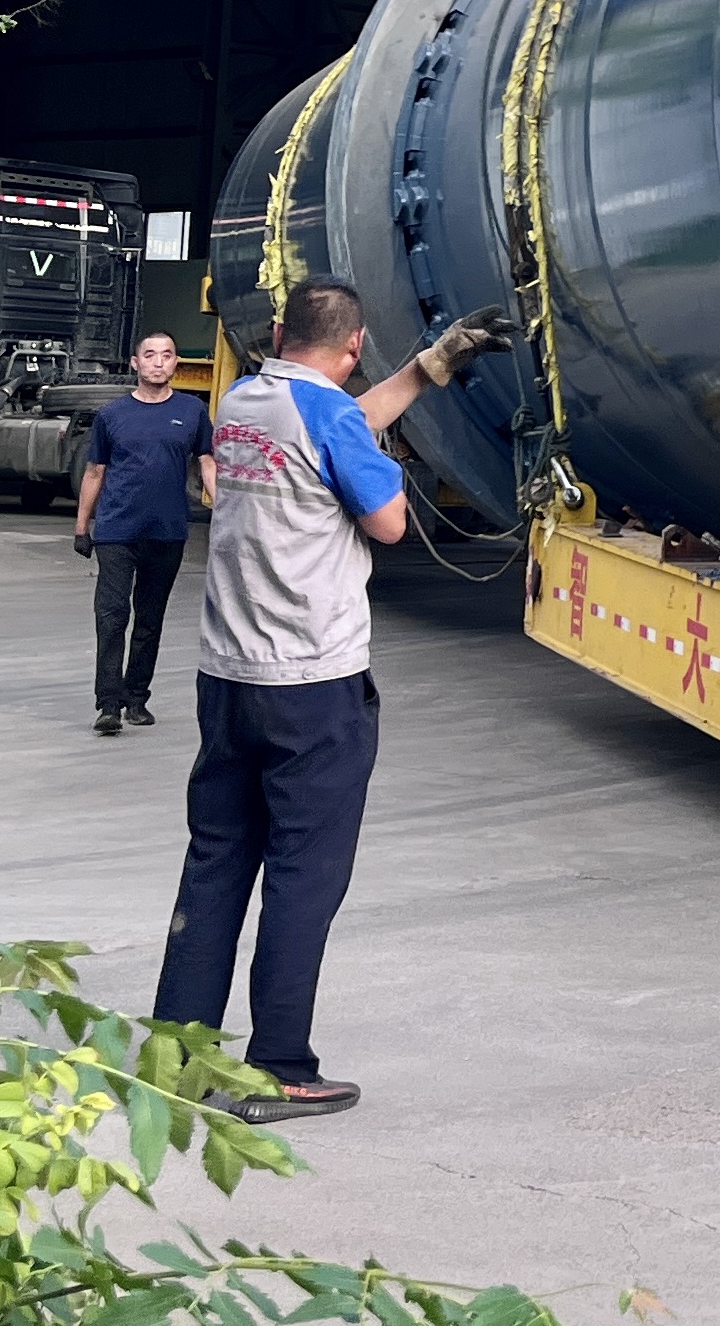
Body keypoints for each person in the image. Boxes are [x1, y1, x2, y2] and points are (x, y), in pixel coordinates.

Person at [152, 279, 511, 1122]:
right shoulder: (332, 421)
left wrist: (427, 370)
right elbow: (387, 520)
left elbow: (336, 421)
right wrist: (390, 461)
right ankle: (279, 1066)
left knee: (216, 864)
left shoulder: (245, 402)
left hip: (228, 677)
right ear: (353, 348)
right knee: (303, 879)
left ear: (280, 332)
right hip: (312, 686)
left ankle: (177, 1057)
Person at [77, 333, 212, 735]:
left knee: (150, 619)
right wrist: (82, 526)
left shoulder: (192, 411)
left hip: (166, 532)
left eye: (166, 355)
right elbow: (95, 471)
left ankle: (136, 698)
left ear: (175, 363)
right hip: (117, 530)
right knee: (111, 616)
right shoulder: (112, 415)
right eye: (149, 355)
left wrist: (224, 509)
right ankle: (108, 704)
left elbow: (207, 461)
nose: (158, 362)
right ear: (135, 363)